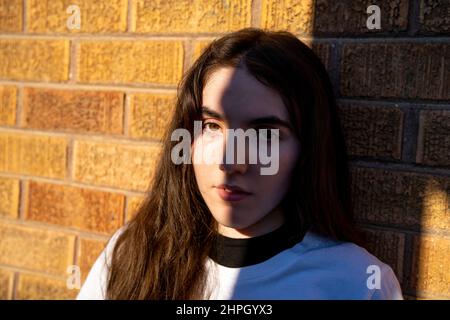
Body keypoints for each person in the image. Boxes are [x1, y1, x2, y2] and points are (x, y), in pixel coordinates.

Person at [76, 27, 403, 300]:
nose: (229, 162)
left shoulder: (357, 283)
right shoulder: (130, 253)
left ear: (308, 150)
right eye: (211, 127)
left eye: (264, 134)